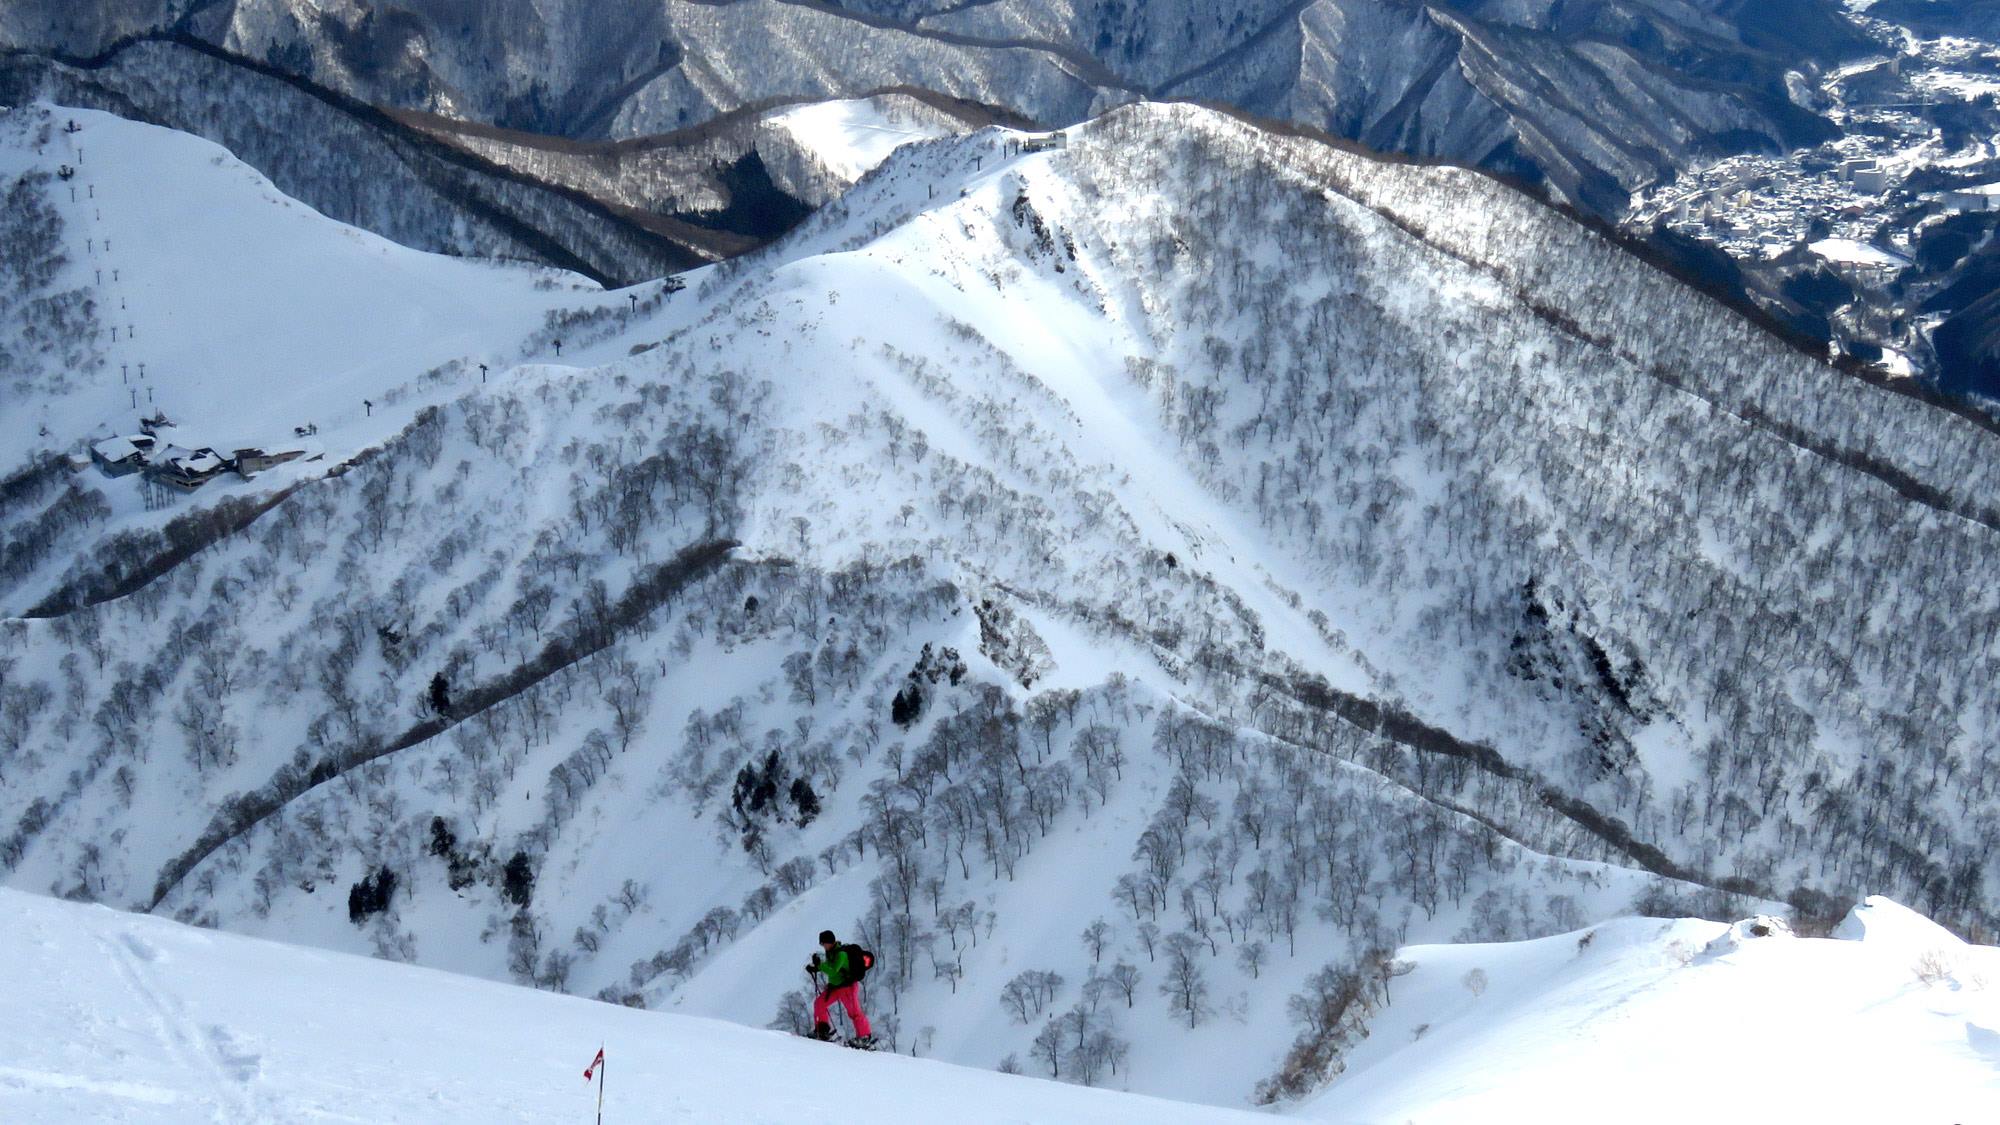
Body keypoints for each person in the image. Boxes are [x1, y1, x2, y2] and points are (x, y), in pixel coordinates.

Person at [806, 929, 873, 1047]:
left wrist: (820, 965)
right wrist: (816, 968)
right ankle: (822, 1030)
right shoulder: (831, 953)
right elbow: (831, 967)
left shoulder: (841, 954)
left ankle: (864, 1037)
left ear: (829, 942)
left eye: (823, 943)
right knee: (819, 1003)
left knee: (854, 1013)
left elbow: (833, 970)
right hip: (836, 987)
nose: (823, 946)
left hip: (847, 988)